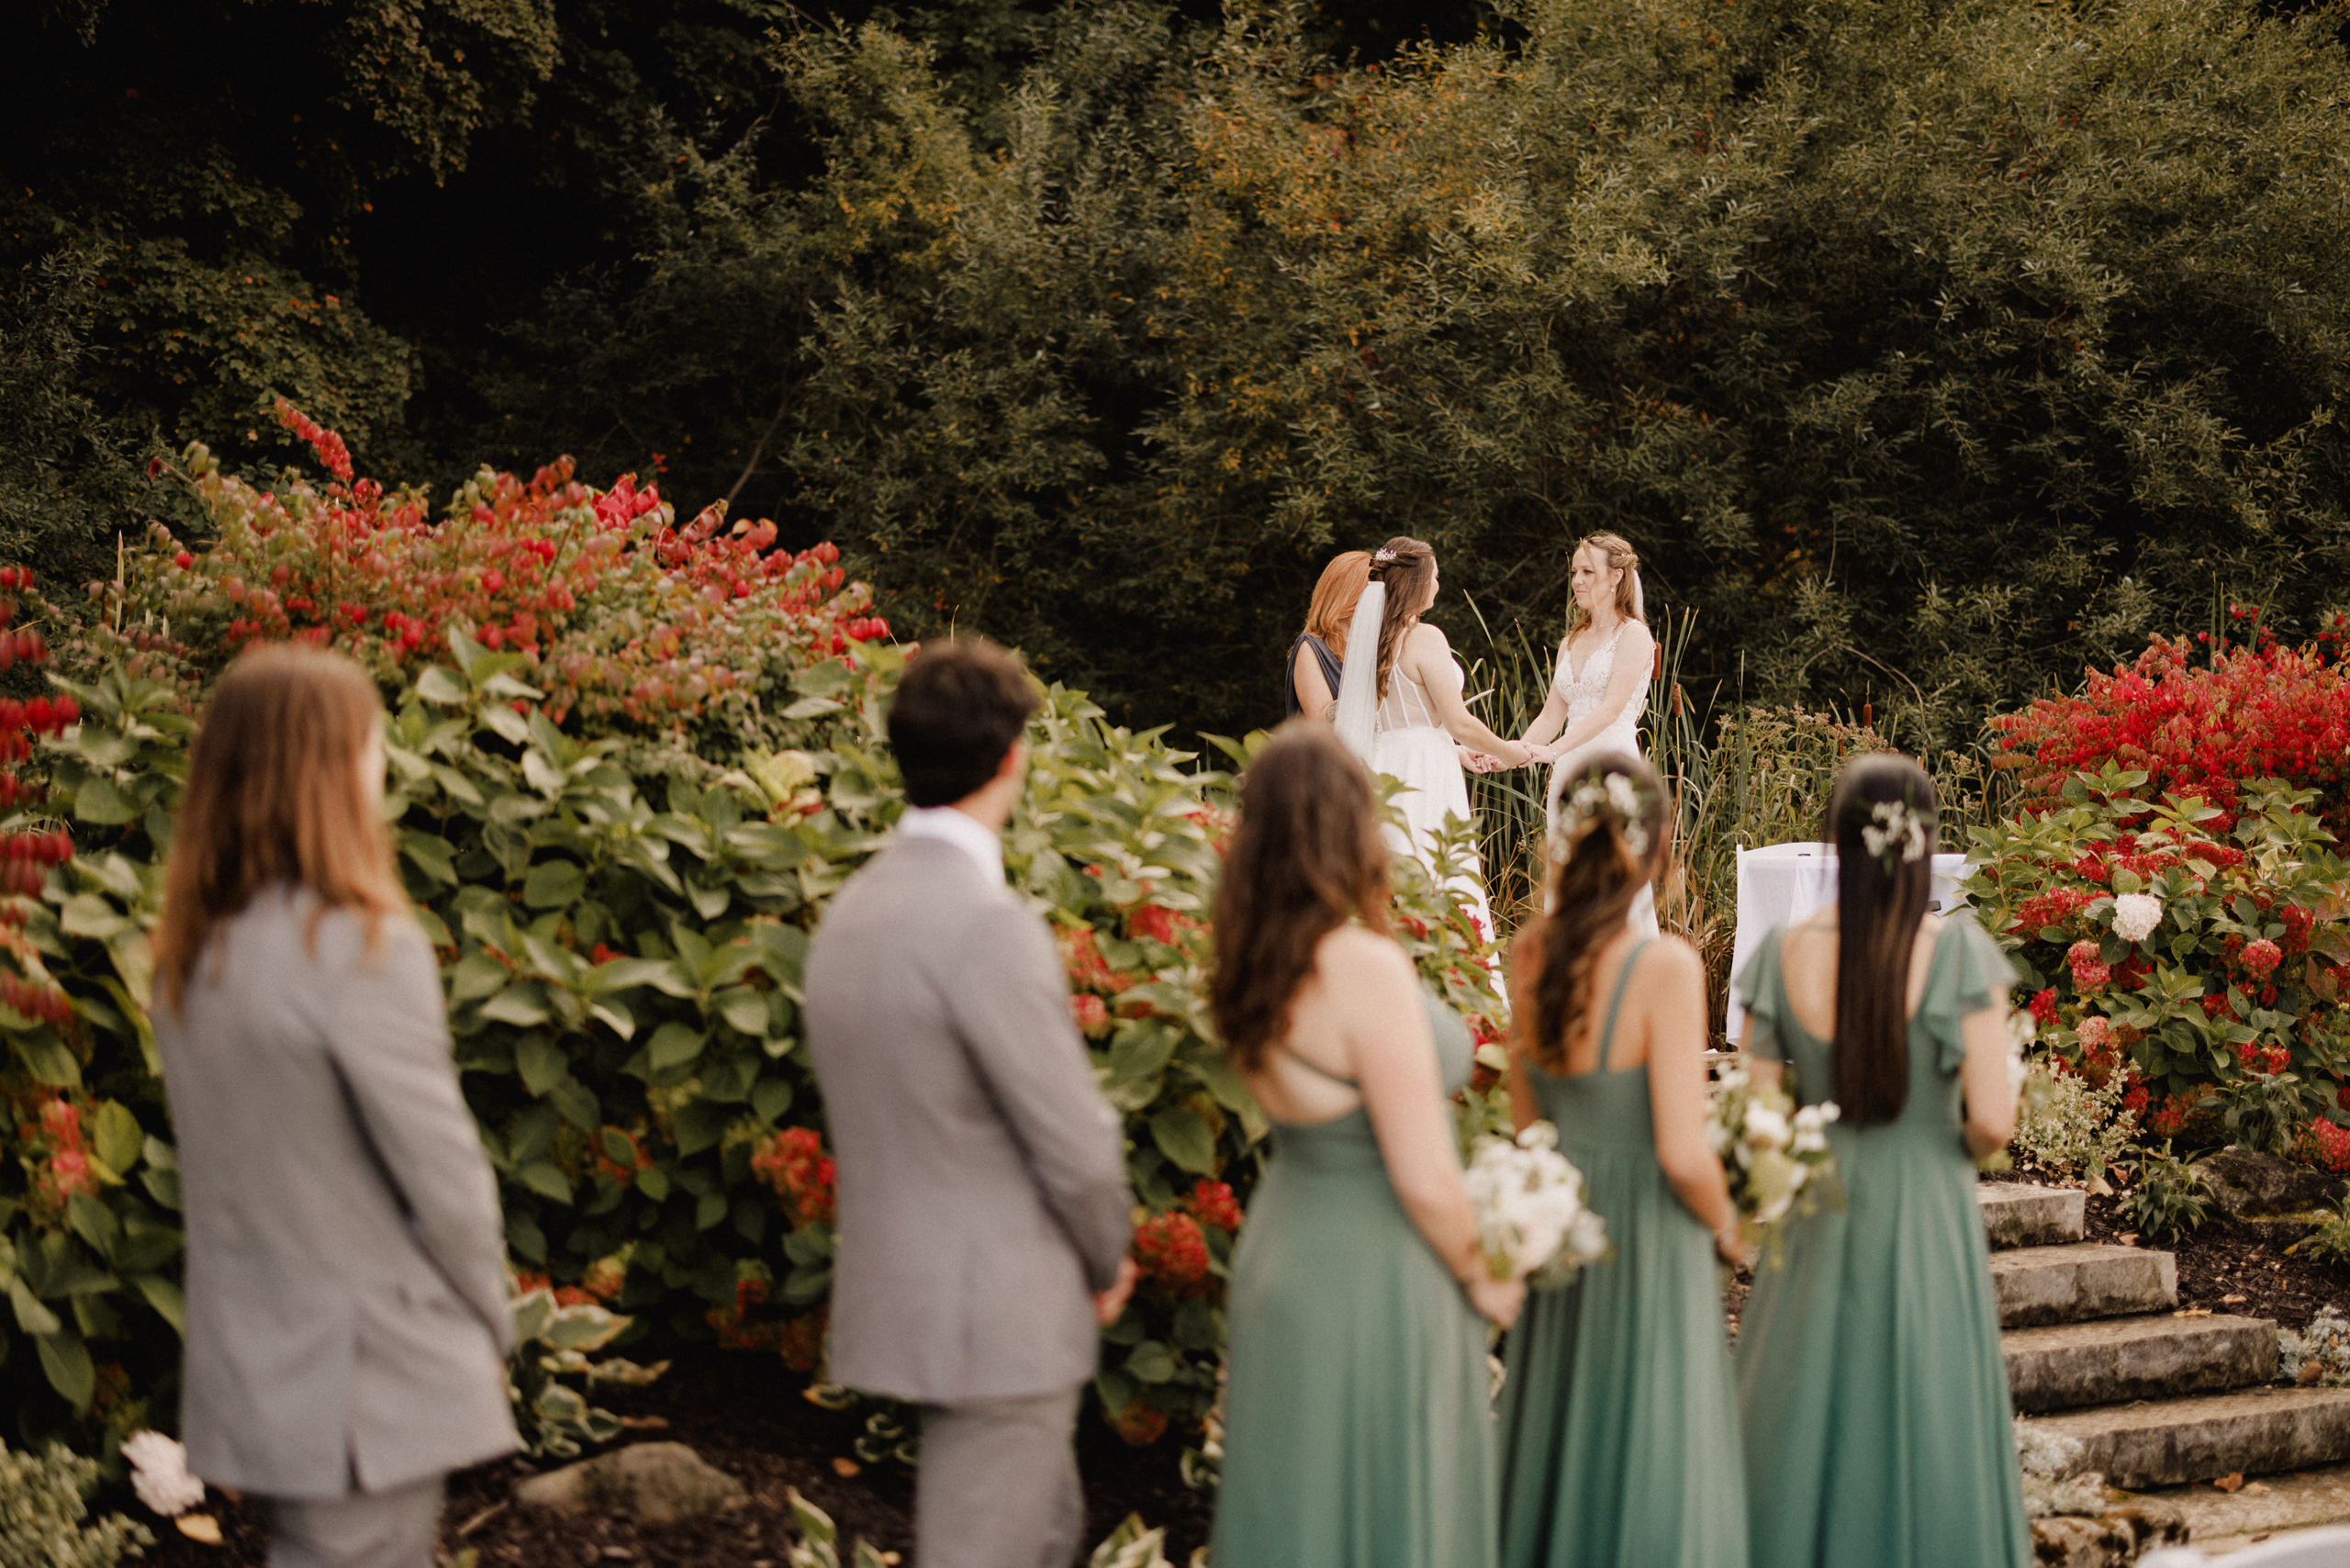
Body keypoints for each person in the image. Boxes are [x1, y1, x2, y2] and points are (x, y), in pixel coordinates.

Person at [152, 644, 516, 1568]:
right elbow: (447, 1181)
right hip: (367, 1381)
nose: (381, 763)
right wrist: (492, 1320)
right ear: (326, 768)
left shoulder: (193, 956)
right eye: (371, 743)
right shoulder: (358, 948)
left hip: (254, 1370)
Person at [804, 638, 1138, 1568]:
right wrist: (1108, 1253)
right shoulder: (988, 928)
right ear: (1011, 758)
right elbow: (1073, 1142)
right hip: (1001, 1310)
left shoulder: (851, 912)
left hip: (908, 1292)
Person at [1209, 721, 1523, 1568]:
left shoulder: (1249, 960)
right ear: (1346, 826)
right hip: (1371, 1273)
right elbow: (1423, 1175)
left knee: (1303, 1513)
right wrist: (1488, 1275)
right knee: (1382, 1514)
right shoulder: (1358, 965)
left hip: (1283, 1256)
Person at [1732, 754, 2031, 1568]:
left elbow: (1758, 1122)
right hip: (1927, 1210)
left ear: (1833, 840)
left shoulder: (1778, 955)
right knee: (1927, 1418)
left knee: (1801, 1422)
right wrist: (1940, 1150)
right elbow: (1995, 1121)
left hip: (1816, 1212)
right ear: (1924, 846)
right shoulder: (1959, 954)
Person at [1496, 755, 1751, 1568]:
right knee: (1652, 1445)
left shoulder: (1526, 956)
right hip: (1645, 1244)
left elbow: (1528, 1132)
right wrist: (1735, 1228)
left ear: (1561, 843)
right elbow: (1681, 1150)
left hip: (1564, 1233)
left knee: (1560, 1438)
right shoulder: (1665, 967)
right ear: (1656, 851)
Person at [1332, 536, 1531, 935]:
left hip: (1385, 765)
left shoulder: (1366, 640)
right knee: (1435, 867)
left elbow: (1397, 720)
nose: (1439, 585)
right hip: (1424, 772)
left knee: (1399, 869)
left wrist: (1456, 752)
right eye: (1436, 577)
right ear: (1420, 583)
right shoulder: (1426, 638)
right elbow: (1458, 722)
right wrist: (1508, 750)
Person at [1519, 532, 1660, 937]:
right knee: (1569, 880)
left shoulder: (1633, 635)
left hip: (1612, 771)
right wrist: (1516, 751)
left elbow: (1611, 708)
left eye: (1587, 572)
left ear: (1616, 576)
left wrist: (1554, 750)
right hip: (1567, 773)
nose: (1577, 580)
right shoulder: (1571, 640)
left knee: (1615, 879)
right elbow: (1551, 713)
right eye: (1574, 572)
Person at [1286, 550, 1371, 720]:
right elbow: (1320, 720)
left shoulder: (1373, 645)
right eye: (1369, 593)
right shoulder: (1310, 647)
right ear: (1347, 595)